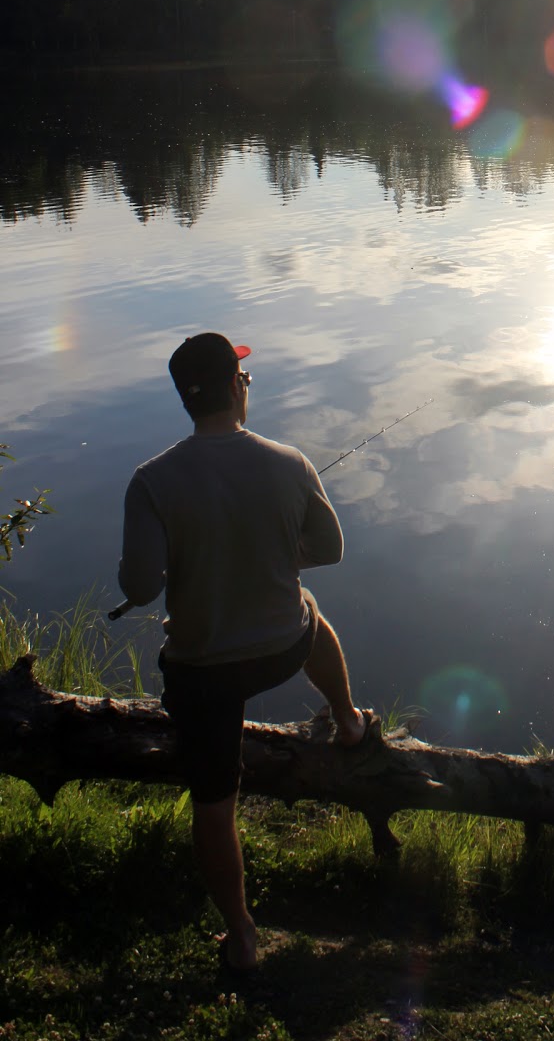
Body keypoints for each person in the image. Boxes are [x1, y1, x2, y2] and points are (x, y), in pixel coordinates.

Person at [118, 332, 378, 973]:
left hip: (202, 672)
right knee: (308, 608)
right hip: (281, 649)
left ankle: (241, 936)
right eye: (245, 378)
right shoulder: (290, 462)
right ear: (237, 387)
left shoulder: (151, 481)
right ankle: (349, 723)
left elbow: (141, 588)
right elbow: (330, 550)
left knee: (214, 804)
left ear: (186, 398)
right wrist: (273, 557)